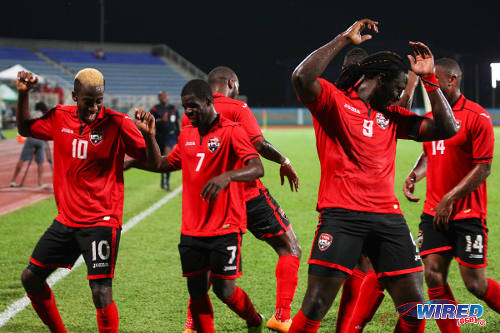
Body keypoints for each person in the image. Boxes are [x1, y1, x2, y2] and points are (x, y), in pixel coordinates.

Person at [288, 19, 458, 333]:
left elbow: (447, 128)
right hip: (342, 215)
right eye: (396, 89)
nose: (398, 97)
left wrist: (430, 79)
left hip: (387, 218)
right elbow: (301, 77)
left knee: (416, 310)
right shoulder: (334, 103)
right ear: (378, 79)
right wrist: (343, 39)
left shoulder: (393, 117)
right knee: (314, 305)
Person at [16, 68, 161, 333]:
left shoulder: (118, 123)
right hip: (66, 219)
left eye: (99, 100)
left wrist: (149, 136)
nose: (94, 107)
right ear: (74, 96)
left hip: (102, 219)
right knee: (31, 278)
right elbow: (25, 127)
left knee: (101, 292)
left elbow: (154, 162)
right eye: (88, 101)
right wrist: (23, 95)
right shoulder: (59, 117)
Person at [127, 79, 266, 332]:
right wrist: (149, 137)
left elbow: (258, 168)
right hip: (191, 230)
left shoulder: (232, 130)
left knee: (225, 291)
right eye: (184, 107)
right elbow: (161, 164)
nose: (188, 112)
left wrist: (227, 176)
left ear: (208, 102)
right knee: (198, 293)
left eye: (193, 106)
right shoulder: (187, 134)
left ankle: (253, 319)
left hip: (225, 227)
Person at [179, 66, 301, 333]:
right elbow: (258, 144)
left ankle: (191, 324)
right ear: (232, 83)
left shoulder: (191, 114)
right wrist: (283, 159)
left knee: (203, 265)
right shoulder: (238, 108)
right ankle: (281, 316)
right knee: (290, 247)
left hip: (212, 201)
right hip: (248, 194)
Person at [403, 58, 500, 333]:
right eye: (426, 82)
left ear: (452, 80)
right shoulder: (434, 116)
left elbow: (484, 167)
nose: (429, 86)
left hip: (468, 212)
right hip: (434, 211)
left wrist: (450, 198)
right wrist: (414, 173)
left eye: (433, 81)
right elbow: (429, 153)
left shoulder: (477, 116)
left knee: (475, 285)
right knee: (433, 276)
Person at [335, 49, 420, 333]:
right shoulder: (344, 104)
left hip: (362, 204)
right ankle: (351, 326)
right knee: (362, 270)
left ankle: (351, 326)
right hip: (352, 203)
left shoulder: (367, 102)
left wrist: (414, 80)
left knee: (368, 269)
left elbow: (398, 109)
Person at [10, 101, 50, 188]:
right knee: (40, 162)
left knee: (22, 159)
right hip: (41, 139)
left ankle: (13, 180)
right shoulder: (45, 115)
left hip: (31, 137)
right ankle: (40, 183)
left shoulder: (32, 113)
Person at [150, 90, 180, 190]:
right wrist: (160, 121)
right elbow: (150, 123)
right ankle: (163, 178)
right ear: (159, 98)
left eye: (164, 96)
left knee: (168, 157)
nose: (163, 97)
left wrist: (179, 135)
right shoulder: (155, 109)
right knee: (160, 159)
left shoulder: (173, 108)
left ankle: (166, 181)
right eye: (161, 96)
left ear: (167, 97)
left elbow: (177, 122)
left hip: (170, 136)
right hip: (159, 137)